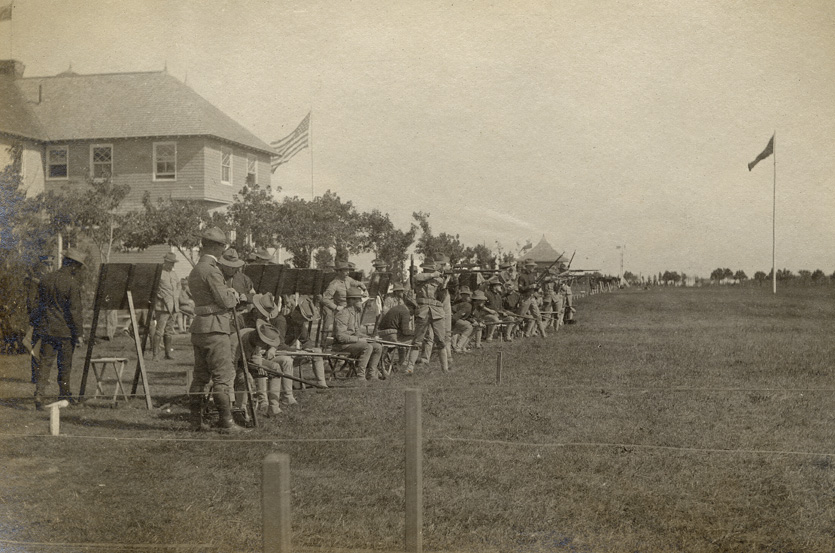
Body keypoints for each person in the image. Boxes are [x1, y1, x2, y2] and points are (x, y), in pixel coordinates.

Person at [187, 228, 247, 433]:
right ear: (217, 246)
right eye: (223, 246)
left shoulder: (196, 269)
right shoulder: (212, 270)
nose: (224, 249)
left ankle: (196, 421)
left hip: (199, 327)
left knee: (200, 376)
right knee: (223, 375)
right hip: (215, 327)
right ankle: (227, 423)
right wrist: (234, 295)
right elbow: (225, 301)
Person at [31, 248, 85, 410]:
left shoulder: (46, 279)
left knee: (45, 362)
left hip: (47, 329)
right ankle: (65, 394)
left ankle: (39, 394)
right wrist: (80, 334)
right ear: (74, 266)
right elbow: (75, 311)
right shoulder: (72, 283)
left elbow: (38, 305)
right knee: (65, 364)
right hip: (65, 332)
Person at [238, 319, 295, 417]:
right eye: (265, 342)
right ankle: (241, 411)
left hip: (249, 362)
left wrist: (259, 365)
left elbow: (256, 355)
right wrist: (248, 373)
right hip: (235, 366)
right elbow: (231, 364)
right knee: (245, 378)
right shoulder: (240, 339)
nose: (265, 345)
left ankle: (273, 409)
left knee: (275, 368)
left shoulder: (259, 337)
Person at [406, 260, 449, 374]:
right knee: (417, 341)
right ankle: (410, 368)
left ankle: (445, 368)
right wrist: (435, 274)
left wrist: (446, 280)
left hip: (437, 311)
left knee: (441, 340)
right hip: (423, 310)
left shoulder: (439, 280)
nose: (429, 271)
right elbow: (417, 278)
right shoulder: (419, 277)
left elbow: (442, 296)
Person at [332, 286, 382, 381]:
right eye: (359, 299)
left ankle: (372, 374)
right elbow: (340, 336)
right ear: (352, 301)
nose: (361, 302)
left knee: (377, 346)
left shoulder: (355, 313)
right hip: (341, 345)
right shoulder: (343, 314)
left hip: (352, 342)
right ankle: (360, 376)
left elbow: (356, 332)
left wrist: (369, 338)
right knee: (368, 347)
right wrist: (359, 340)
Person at [24, 255, 53, 384]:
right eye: (47, 264)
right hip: (38, 318)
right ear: (41, 265)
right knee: (37, 347)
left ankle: (40, 376)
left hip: (45, 319)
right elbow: (31, 302)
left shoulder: (46, 279)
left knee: (43, 347)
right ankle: (36, 377)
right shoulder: (36, 281)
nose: (50, 267)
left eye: (51, 264)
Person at [321, 261, 367, 337]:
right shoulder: (334, 284)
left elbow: (359, 283)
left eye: (348, 270)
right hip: (343, 313)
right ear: (339, 271)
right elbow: (325, 299)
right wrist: (336, 307)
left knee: (356, 333)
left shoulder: (348, 279)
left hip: (353, 311)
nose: (348, 273)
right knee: (343, 334)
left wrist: (365, 290)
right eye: (345, 271)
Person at [152, 252, 180, 360]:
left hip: (173, 307)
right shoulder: (159, 273)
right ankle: (155, 355)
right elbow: (154, 288)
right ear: (165, 262)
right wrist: (161, 295)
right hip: (162, 307)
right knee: (159, 331)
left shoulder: (173, 274)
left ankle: (167, 354)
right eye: (171, 263)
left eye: (173, 263)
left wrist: (176, 295)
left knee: (169, 331)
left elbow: (178, 285)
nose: (172, 265)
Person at [376, 294, 416, 371]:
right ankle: (404, 363)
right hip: (390, 334)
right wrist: (415, 333)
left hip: (382, 333)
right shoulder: (405, 312)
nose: (413, 314)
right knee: (414, 341)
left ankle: (399, 363)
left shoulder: (398, 308)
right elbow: (405, 331)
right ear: (411, 308)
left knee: (402, 341)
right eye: (414, 312)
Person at [517, 259, 548, 338]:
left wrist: (537, 287)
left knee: (538, 316)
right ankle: (511, 333)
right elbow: (520, 289)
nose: (532, 268)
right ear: (526, 267)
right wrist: (530, 287)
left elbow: (535, 288)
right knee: (520, 317)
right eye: (531, 266)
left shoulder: (532, 276)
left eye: (533, 266)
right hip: (525, 298)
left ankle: (543, 334)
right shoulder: (521, 276)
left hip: (532, 298)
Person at [450, 286, 474, 353]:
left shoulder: (469, 304)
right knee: (469, 327)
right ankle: (459, 347)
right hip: (452, 318)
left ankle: (455, 347)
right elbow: (457, 315)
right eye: (466, 295)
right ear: (462, 295)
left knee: (458, 329)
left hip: (454, 318)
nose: (468, 296)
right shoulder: (466, 304)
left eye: (468, 295)